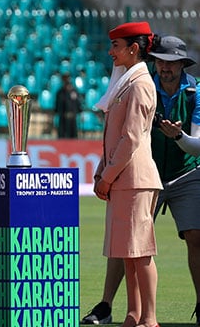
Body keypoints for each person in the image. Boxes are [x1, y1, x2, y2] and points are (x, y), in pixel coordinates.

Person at [83, 35, 200, 326]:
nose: (165, 67)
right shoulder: (142, 83)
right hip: (143, 172)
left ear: (183, 65)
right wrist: (105, 169)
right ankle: (113, 306)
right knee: (126, 246)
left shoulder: (193, 92)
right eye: (160, 60)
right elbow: (121, 136)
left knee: (187, 239)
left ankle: (183, 307)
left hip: (180, 173)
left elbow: (195, 143)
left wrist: (179, 137)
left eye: (171, 62)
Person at [91, 21, 162, 327]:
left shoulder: (140, 84)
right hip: (125, 179)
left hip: (134, 179)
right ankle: (134, 314)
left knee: (141, 251)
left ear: (134, 49)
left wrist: (107, 175)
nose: (111, 52)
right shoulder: (128, 82)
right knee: (129, 253)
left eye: (116, 46)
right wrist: (103, 173)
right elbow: (117, 137)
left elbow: (130, 138)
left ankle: (149, 317)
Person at [54, 72, 83, 138]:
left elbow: (78, 103)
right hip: (63, 118)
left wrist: (79, 112)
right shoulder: (60, 92)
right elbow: (58, 106)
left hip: (73, 118)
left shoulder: (74, 91)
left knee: (73, 137)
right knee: (63, 136)